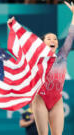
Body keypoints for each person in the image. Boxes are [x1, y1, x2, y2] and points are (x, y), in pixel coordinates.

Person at [31, 1, 74, 135]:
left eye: (55, 39)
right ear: (42, 43)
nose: (53, 41)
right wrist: (13, 25)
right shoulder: (36, 58)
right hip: (40, 99)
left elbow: (71, 36)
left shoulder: (62, 55)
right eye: (48, 39)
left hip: (57, 99)